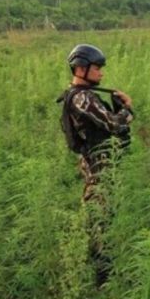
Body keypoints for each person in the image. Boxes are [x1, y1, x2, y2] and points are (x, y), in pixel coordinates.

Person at [59, 44, 134, 203]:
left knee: (106, 208)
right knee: (98, 216)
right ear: (80, 69)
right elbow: (113, 124)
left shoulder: (80, 94)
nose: (101, 74)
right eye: (97, 68)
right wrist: (126, 108)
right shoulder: (83, 98)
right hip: (97, 165)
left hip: (99, 162)